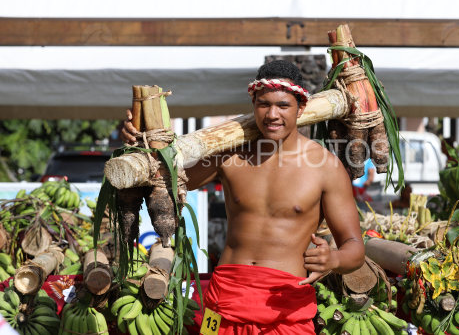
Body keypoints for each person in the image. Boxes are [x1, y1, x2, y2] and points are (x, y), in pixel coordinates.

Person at [122, 60, 365, 335]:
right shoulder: (230, 156)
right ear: (253, 105)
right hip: (224, 299)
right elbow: (163, 177)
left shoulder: (326, 167)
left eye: (283, 105)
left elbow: (354, 247)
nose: (272, 114)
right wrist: (138, 142)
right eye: (263, 104)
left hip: (286, 307)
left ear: (302, 108)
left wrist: (333, 260)